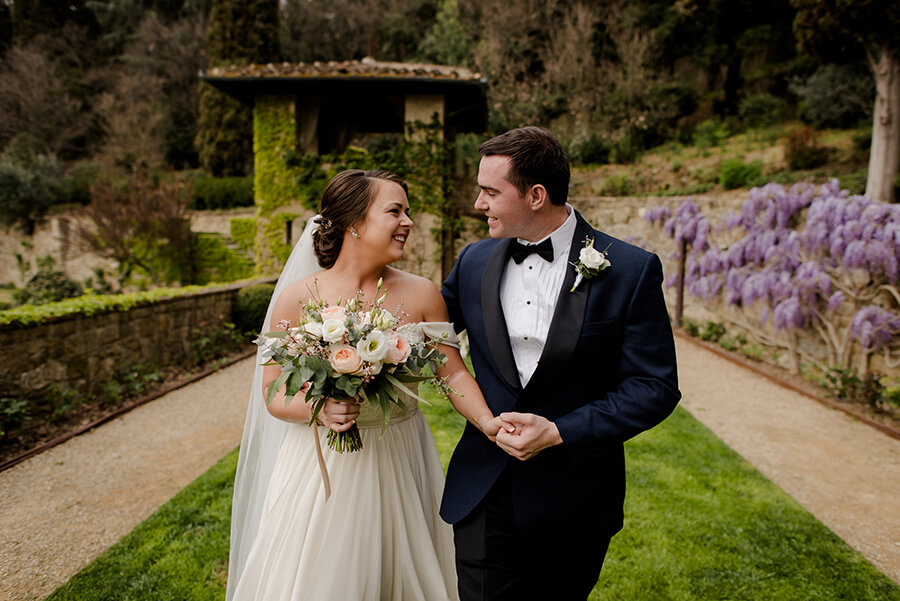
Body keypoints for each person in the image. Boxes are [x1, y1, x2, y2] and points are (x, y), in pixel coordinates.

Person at [226, 170, 509, 601]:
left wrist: (489, 422)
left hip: (400, 454)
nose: (408, 222)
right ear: (354, 223)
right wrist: (318, 408)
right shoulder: (297, 297)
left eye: (408, 211)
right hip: (321, 465)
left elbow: (450, 373)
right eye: (395, 211)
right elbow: (273, 393)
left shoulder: (421, 293)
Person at [440, 126, 681, 601]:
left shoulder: (630, 270)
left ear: (535, 195)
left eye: (490, 192)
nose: (478, 204)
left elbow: (654, 386)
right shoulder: (472, 262)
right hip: (485, 486)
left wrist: (557, 431)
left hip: (577, 495)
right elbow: (421, 332)